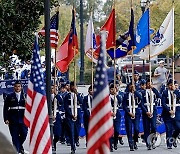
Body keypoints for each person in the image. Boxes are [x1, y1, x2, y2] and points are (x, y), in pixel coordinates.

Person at [3, 80, 28, 154]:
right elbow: (5, 108)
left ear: (21, 87)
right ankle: (16, 151)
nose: (17, 88)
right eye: (16, 86)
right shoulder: (10, 96)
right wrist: (6, 118)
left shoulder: (25, 96)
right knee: (14, 136)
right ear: (14, 87)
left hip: (23, 119)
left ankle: (20, 146)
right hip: (13, 119)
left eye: (19, 86)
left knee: (24, 134)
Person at [139, 79, 161, 150]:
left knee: (154, 127)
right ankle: (148, 143)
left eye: (150, 84)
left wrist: (153, 88)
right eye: (148, 84)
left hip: (153, 111)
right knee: (146, 127)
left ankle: (153, 140)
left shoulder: (154, 91)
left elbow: (159, 96)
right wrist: (146, 111)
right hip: (146, 111)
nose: (149, 85)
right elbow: (141, 104)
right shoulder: (142, 92)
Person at [122, 82, 143, 151]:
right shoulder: (126, 95)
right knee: (129, 129)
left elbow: (141, 98)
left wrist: (135, 91)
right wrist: (129, 112)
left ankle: (135, 141)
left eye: (133, 86)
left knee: (136, 129)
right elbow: (124, 105)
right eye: (130, 86)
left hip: (136, 113)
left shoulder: (137, 94)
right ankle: (131, 143)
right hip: (128, 113)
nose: (131, 88)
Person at [64, 81, 83, 154]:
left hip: (77, 115)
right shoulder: (67, 96)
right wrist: (71, 114)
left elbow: (81, 102)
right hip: (70, 116)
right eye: (73, 86)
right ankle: (72, 147)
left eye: (75, 86)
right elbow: (66, 107)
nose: (74, 88)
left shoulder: (79, 95)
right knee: (71, 131)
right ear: (70, 87)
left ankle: (76, 140)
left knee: (77, 131)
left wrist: (77, 94)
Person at [161, 79, 180, 149]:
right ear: (168, 85)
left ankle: (174, 137)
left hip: (177, 112)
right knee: (169, 129)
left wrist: (175, 91)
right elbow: (163, 103)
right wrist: (169, 110)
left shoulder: (177, 92)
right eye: (170, 85)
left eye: (173, 85)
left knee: (178, 127)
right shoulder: (165, 92)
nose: (171, 86)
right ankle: (169, 143)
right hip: (167, 113)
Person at [109, 84, 122, 152]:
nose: (112, 90)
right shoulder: (107, 97)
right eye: (111, 89)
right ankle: (110, 145)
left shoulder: (117, 96)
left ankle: (115, 142)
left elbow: (120, 101)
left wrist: (116, 94)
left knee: (116, 130)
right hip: (109, 114)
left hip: (117, 113)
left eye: (114, 89)